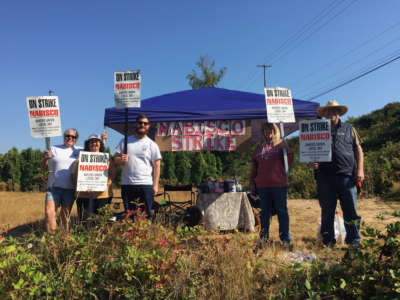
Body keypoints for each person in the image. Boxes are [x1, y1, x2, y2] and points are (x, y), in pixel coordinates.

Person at [310, 100, 364, 246]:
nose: (331, 113)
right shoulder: (317, 130)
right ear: (324, 114)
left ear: (339, 113)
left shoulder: (349, 128)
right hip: (324, 177)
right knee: (327, 211)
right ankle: (328, 242)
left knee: (351, 211)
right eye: (328, 111)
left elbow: (358, 149)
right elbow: (311, 152)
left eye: (334, 110)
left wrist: (360, 169)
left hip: (347, 177)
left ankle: (354, 241)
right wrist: (313, 162)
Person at [250, 122, 293, 246]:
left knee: (282, 211)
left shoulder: (281, 145)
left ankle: (285, 239)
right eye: (266, 131)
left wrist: (286, 149)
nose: (268, 133)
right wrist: (252, 183)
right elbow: (254, 168)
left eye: (271, 131)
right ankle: (263, 239)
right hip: (262, 186)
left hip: (279, 185)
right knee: (264, 213)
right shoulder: (259, 148)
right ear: (263, 132)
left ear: (275, 132)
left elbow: (289, 161)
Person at [114, 114, 162, 221]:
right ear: (136, 124)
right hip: (128, 184)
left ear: (149, 126)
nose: (142, 125)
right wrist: (121, 160)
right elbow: (115, 159)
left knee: (146, 216)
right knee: (129, 215)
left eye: (145, 123)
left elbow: (157, 166)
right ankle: (130, 237)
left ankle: (146, 237)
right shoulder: (125, 141)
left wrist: (155, 185)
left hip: (145, 185)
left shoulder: (152, 144)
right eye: (140, 122)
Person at [41, 128, 81, 233]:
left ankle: (63, 241)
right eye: (67, 135)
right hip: (53, 188)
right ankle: (52, 241)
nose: (70, 138)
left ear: (76, 139)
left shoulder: (80, 150)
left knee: (65, 217)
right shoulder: (53, 148)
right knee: (49, 214)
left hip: (70, 189)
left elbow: (96, 150)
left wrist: (103, 139)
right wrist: (45, 159)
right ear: (64, 137)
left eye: (73, 137)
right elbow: (43, 168)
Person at [71, 134, 115, 225]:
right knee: (85, 221)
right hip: (84, 195)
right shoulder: (80, 159)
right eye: (91, 142)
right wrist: (81, 186)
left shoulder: (106, 158)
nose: (94, 143)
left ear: (100, 144)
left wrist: (108, 183)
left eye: (96, 141)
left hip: (102, 196)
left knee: (102, 222)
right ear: (88, 144)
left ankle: (101, 239)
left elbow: (113, 173)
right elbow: (73, 176)